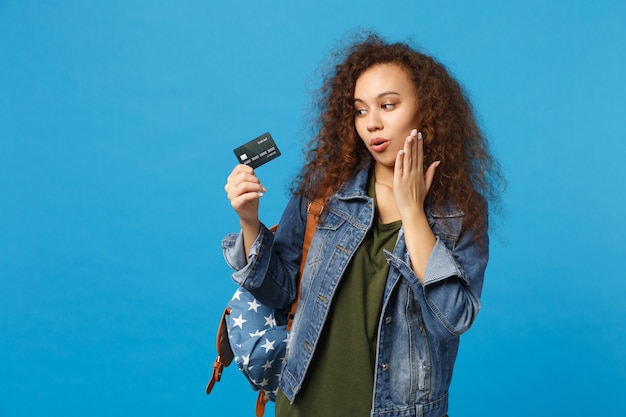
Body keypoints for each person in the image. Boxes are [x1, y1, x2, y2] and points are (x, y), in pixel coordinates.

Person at [223, 33, 504, 417]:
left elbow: (451, 320)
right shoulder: (324, 190)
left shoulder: (460, 213)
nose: (372, 123)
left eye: (388, 105)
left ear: (426, 109)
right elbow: (281, 289)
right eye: (359, 110)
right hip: (303, 406)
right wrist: (249, 220)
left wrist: (413, 211)